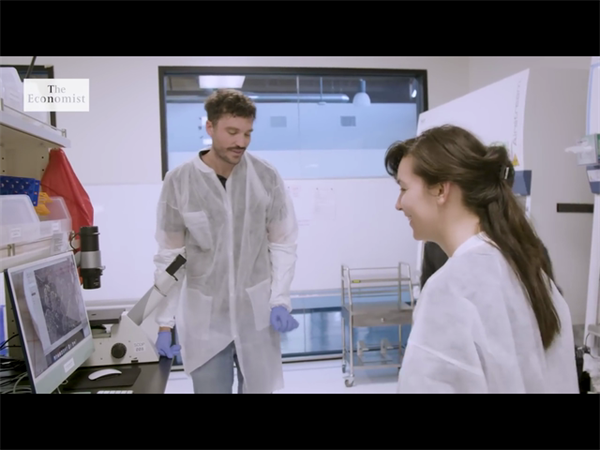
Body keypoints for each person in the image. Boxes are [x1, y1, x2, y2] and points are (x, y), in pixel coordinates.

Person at [384, 125, 579, 393]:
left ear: (440, 190)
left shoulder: (451, 289)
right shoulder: (531, 273)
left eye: (403, 189)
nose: (398, 204)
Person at [152, 89, 300, 394]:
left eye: (247, 133)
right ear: (210, 127)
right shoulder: (179, 182)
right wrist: (165, 322)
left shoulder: (266, 177)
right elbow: (171, 257)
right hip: (206, 319)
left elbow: (283, 243)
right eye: (232, 132)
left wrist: (280, 300)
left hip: (256, 316)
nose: (241, 142)